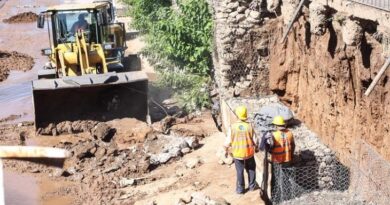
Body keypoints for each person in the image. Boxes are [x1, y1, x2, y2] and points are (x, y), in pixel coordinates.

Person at [260, 115, 295, 202]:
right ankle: (287, 197)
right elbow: (293, 146)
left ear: (276, 125)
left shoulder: (273, 135)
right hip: (287, 160)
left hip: (276, 161)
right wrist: (291, 156)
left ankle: (276, 199)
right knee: (286, 179)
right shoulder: (290, 133)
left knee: (276, 181)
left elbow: (266, 147)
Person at [224, 106, 258, 194]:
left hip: (238, 154)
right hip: (249, 153)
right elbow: (255, 140)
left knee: (240, 172)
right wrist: (256, 148)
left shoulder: (232, 127)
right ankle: (252, 187)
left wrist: (226, 151)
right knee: (251, 170)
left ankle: (240, 190)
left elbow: (227, 143)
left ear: (237, 115)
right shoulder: (249, 126)